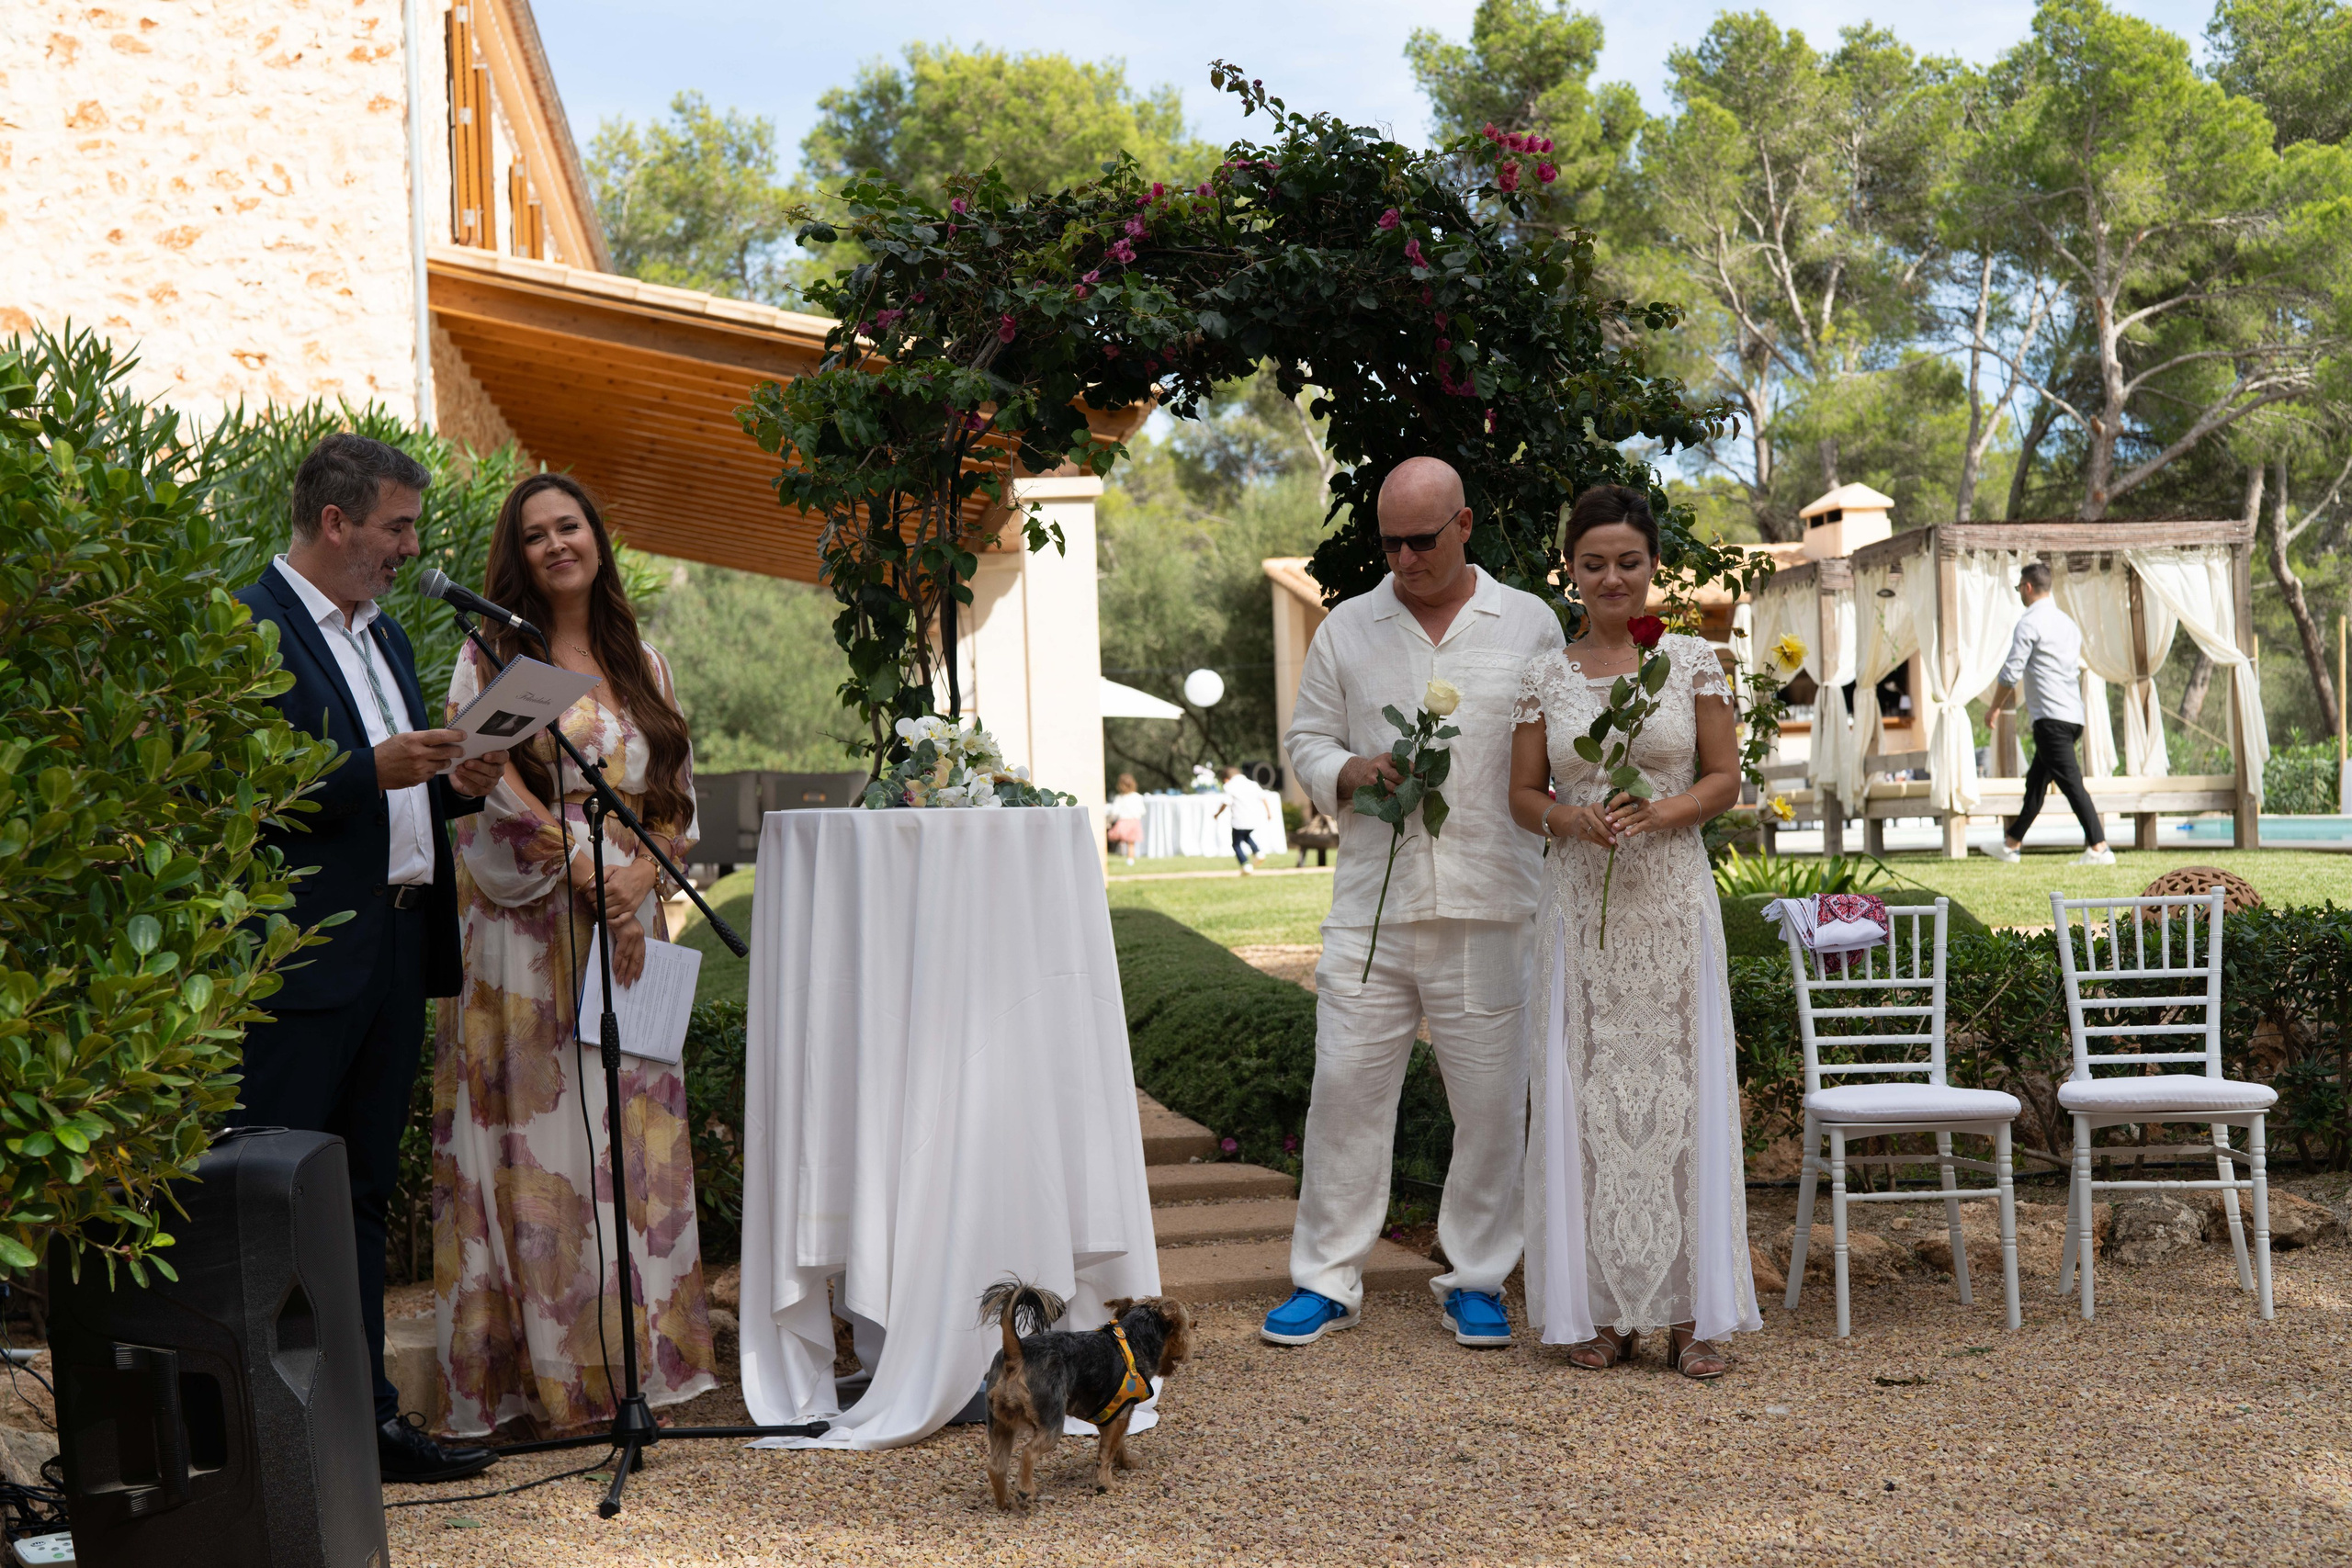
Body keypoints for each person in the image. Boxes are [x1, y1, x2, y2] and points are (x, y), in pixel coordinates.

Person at [230, 434, 507, 1484]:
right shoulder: (250, 625)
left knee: (358, 1194)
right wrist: (370, 770)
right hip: (308, 960)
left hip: (397, 942)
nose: (410, 546)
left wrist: (454, 782)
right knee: (276, 1196)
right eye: (396, 526)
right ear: (337, 521)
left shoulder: (383, 637)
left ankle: (366, 1423)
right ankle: (275, 1433)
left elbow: (396, 788)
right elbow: (243, 791)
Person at [432, 474, 717, 1438]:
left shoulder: (644, 660)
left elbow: (676, 792)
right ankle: (556, 1384)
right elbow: (494, 796)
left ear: (597, 538)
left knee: (634, 1137)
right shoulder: (491, 657)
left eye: (571, 526)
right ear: (517, 555)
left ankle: (643, 1365)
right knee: (548, 1147)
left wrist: (646, 881)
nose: (557, 544)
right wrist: (602, 876)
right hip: (528, 940)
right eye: (536, 533)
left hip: (632, 925)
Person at [1265, 456, 1566, 1350]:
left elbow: (1562, 746)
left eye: (1421, 540)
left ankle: (1475, 1274)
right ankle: (1324, 1279)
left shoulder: (1529, 624)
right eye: (1389, 541)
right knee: (1345, 1093)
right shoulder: (1347, 629)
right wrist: (1345, 771)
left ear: (1464, 525)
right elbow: (1305, 737)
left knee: (1485, 1104)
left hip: (1488, 905)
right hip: (1371, 909)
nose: (1403, 557)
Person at [1508, 484, 1759, 1379]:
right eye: (1592, 563)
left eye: (1627, 561)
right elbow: (1524, 793)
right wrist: (1569, 821)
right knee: (1589, 1098)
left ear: (1653, 567)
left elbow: (1724, 777)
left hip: (1668, 899)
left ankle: (1695, 1315)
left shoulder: (1689, 659)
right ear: (1568, 571)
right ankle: (1603, 1311)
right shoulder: (1546, 673)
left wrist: (1662, 811)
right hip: (1581, 903)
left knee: (1679, 1095)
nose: (1610, 577)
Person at [1983, 561, 2113, 865]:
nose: (2019, 594)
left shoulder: (2028, 623)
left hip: (2051, 718)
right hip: (2072, 715)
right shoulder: (2067, 623)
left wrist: (1995, 707)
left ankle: (2099, 847)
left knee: (2071, 783)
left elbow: (2010, 672)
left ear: (2027, 587)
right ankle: (2010, 845)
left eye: (2019, 589)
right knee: (2036, 784)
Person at [1213, 764, 1266, 873]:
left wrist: (1217, 814)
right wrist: (1269, 813)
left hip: (1239, 819)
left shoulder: (1229, 786)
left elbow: (1226, 802)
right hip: (1252, 818)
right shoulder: (1252, 784)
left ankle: (1245, 864)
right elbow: (1263, 798)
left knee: (1236, 844)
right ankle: (1258, 852)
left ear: (1226, 778)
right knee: (1246, 837)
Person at [1107, 773, 1147, 863]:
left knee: (1120, 840)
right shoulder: (1137, 797)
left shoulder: (1120, 798)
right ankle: (1130, 859)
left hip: (1123, 822)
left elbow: (1114, 812)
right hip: (1134, 822)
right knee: (1131, 843)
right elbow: (1142, 811)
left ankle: (1122, 854)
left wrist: (1110, 820)